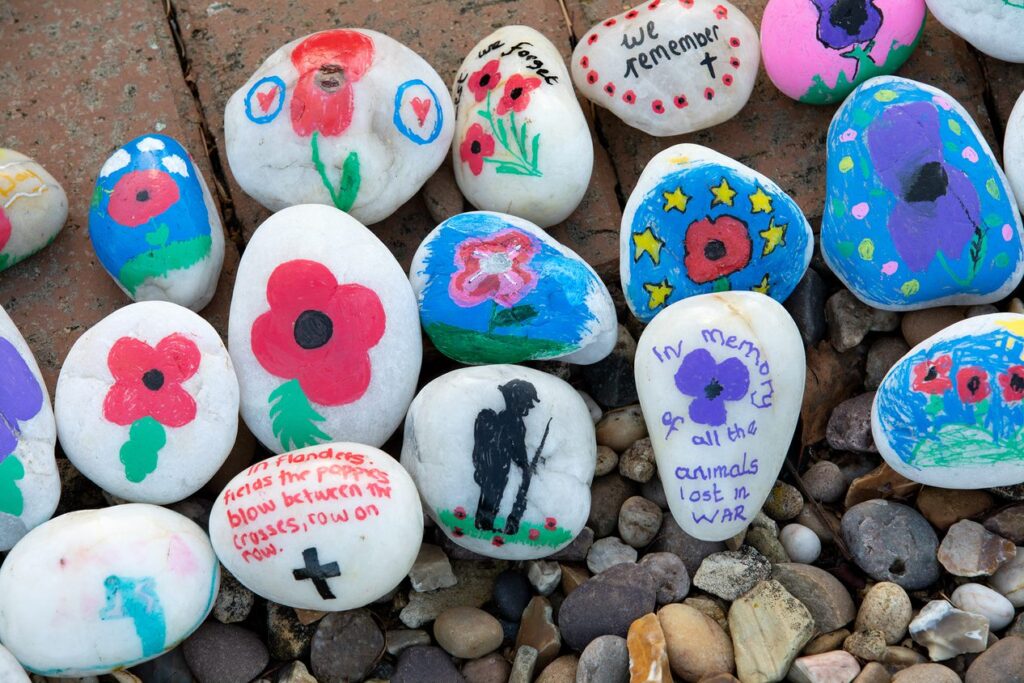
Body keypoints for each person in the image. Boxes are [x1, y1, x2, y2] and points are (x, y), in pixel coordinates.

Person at [471, 379, 548, 535]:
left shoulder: (504, 418)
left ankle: (484, 522)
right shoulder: (514, 422)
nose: (528, 408)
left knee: (490, 494)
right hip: (498, 467)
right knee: (493, 494)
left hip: (496, 466)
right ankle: (485, 523)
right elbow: (517, 449)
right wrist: (525, 466)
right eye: (526, 404)